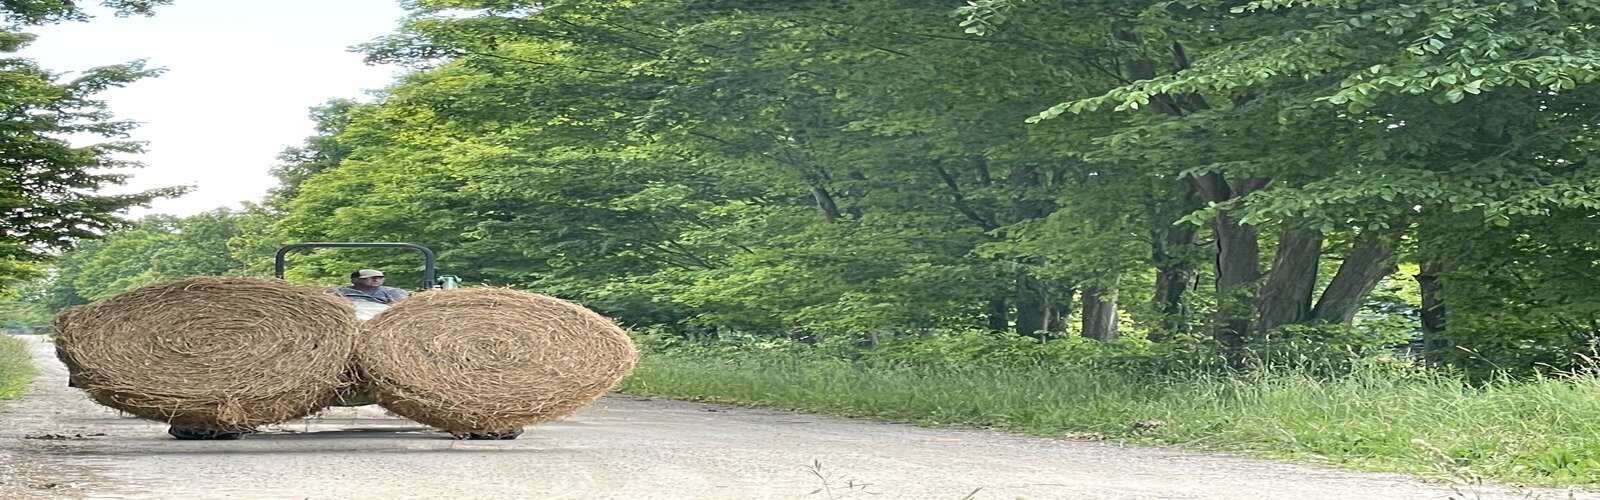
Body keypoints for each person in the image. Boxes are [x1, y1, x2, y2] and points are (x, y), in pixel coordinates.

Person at [335, 269, 409, 304]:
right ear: (355, 280)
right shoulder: (340, 291)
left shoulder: (393, 292)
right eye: (372, 278)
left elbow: (402, 306)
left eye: (380, 278)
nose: (376, 280)